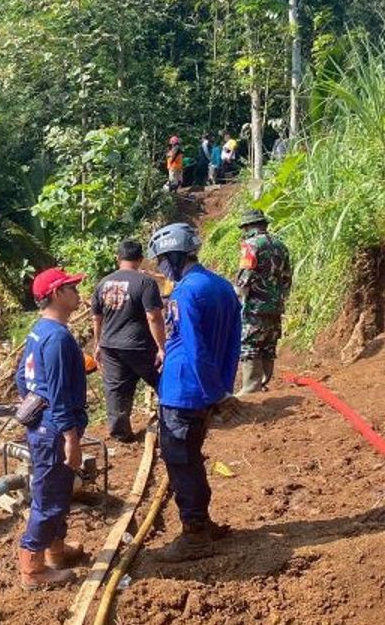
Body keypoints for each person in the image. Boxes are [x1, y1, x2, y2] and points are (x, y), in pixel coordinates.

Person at [147, 223, 241, 561]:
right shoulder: (222, 286)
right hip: (202, 390)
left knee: (180, 461)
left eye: (161, 260)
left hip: (182, 391)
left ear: (173, 256)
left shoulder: (186, 292)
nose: (160, 268)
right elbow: (233, 342)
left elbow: (194, 346)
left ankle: (195, 533)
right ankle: (202, 523)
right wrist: (220, 387)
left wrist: (212, 392)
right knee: (191, 458)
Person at [14, 267, 90, 588]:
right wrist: (71, 438)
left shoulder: (39, 331)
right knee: (49, 498)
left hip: (43, 426)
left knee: (58, 490)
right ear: (57, 294)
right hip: (55, 430)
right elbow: (58, 394)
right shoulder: (58, 337)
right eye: (71, 287)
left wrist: (37, 402)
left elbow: (22, 378)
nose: (77, 292)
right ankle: (32, 569)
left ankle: (55, 553)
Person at [90, 239, 166, 443]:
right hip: (140, 345)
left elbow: (97, 319)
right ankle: (170, 424)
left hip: (111, 346)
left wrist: (98, 344)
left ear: (118, 259)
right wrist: (161, 347)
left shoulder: (102, 283)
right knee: (163, 380)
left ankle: (120, 433)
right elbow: (153, 317)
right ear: (140, 259)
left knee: (116, 390)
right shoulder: (145, 283)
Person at [234, 209, 292, 395]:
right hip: (275, 304)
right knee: (269, 344)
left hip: (256, 305)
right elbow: (287, 278)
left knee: (250, 343)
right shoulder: (280, 245)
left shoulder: (250, 245)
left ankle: (251, 387)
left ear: (249, 226)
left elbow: (245, 275)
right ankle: (264, 382)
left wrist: (238, 297)